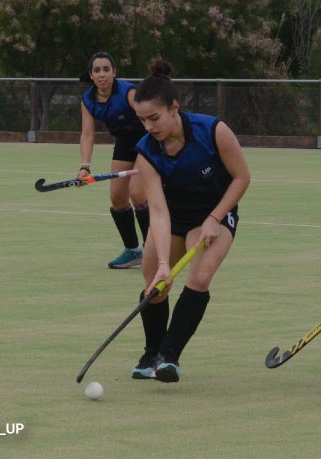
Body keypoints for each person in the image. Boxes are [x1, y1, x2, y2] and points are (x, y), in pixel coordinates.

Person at [129, 59, 250, 383]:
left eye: (154, 118)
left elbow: (241, 178)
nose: (149, 127)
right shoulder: (146, 152)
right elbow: (157, 210)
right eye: (142, 120)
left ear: (174, 108)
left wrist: (214, 218)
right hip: (173, 215)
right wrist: (165, 263)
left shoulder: (212, 131)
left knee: (199, 276)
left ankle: (169, 357)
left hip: (216, 212)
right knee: (155, 286)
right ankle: (151, 351)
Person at [78, 52, 149, 269]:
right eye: (97, 70)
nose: (102, 75)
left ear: (114, 72)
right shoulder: (88, 100)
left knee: (137, 193)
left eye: (106, 70)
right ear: (91, 75)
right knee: (117, 198)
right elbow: (87, 134)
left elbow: (149, 117)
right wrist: (85, 167)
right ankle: (133, 251)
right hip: (125, 144)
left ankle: (154, 249)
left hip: (147, 141)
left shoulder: (128, 92)